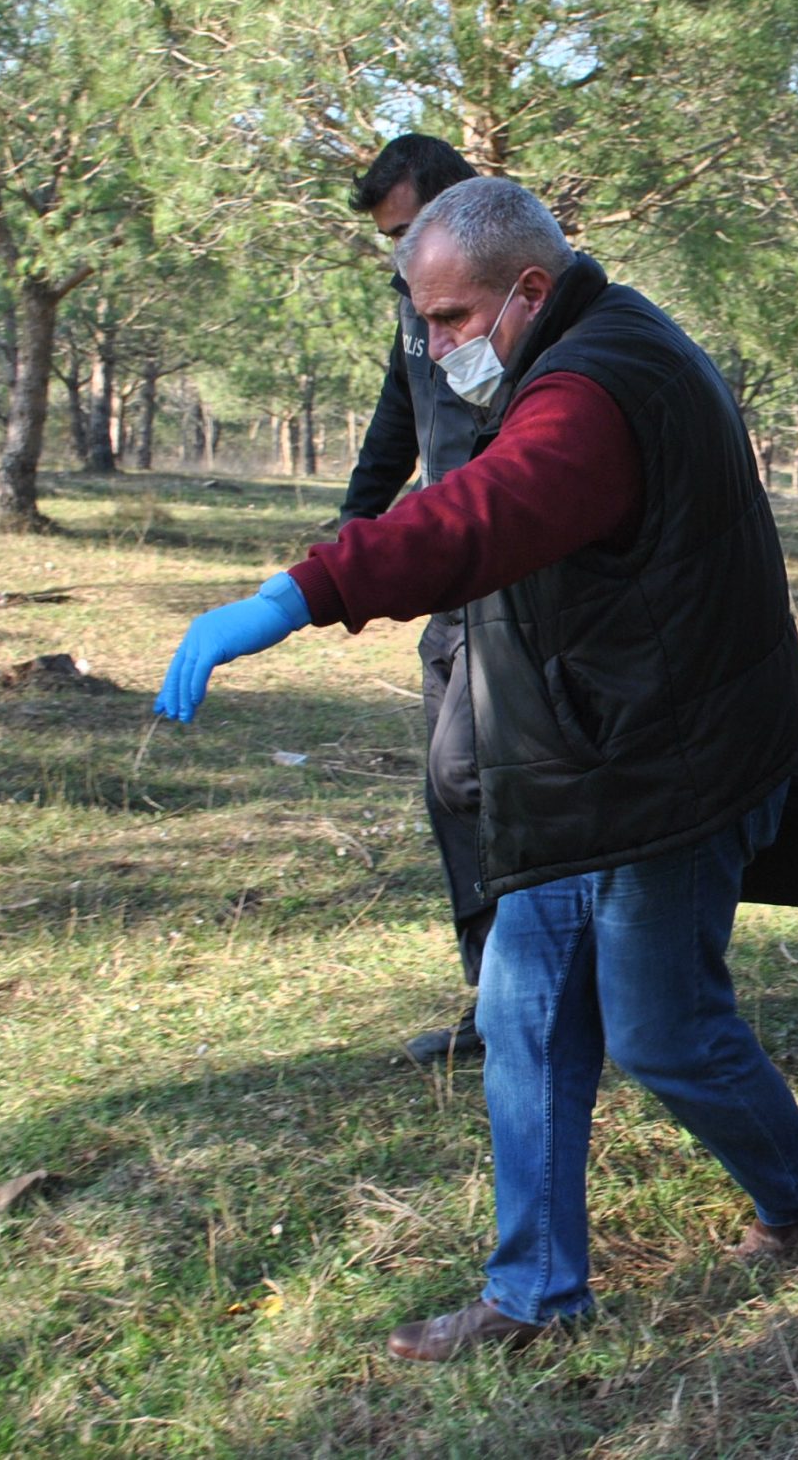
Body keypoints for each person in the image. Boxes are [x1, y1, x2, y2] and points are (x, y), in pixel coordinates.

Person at [155, 178, 798, 1360]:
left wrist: (297, 594)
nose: (433, 348)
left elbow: (484, 514)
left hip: (670, 767)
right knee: (524, 1011)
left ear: (528, 290)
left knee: (661, 1029)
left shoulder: (598, 383)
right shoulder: (577, 343)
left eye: (449, 319)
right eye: (419, 320)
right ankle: (534, 1289)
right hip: (586, 754)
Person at [334, 133, 488, 1066]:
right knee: (450, 792)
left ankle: (555, 999)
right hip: (448, 581)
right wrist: (358, 521)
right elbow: (402, 411)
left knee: (471, 775)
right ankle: (495, 997)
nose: (398, 255)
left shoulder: (515, 303)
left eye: (409, 231)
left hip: (514, 576)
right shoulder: (416, 304)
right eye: (389, 241)